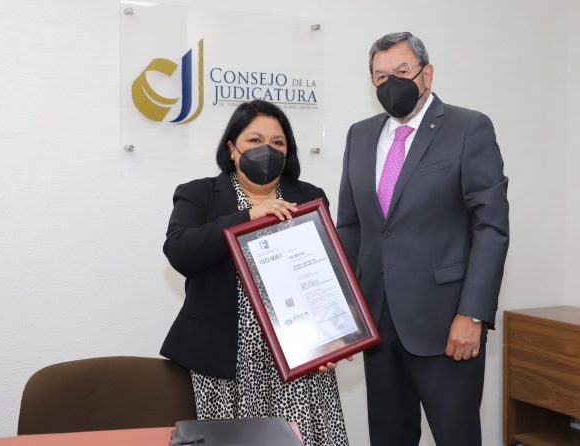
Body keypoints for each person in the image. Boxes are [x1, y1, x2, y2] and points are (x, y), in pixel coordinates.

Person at [337, 32, 509, 445]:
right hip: (378, 325)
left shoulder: (468, 128)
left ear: (426, 74)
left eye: (401, 71)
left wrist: (473, 314)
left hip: (447, 326)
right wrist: (344, 315)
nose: (390, 83)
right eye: (381, 76)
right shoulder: (360, 135)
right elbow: (351, 227)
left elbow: (490, 227)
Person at [161, 100, 349, 446]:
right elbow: (180, 251)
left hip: (298, 357)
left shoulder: (308, 197)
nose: (267, 150)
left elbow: (328, 275)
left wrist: (333, 339)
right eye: (255, 140)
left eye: (278, 142)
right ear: (232, 148)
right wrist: (249, 216)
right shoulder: (199, 194)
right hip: (226, 362)